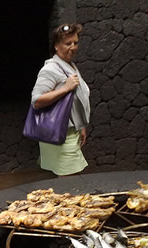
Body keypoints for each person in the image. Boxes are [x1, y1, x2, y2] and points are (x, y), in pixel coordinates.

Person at [30, 23, 90, 176]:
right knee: (70, 182)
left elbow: (76, 101)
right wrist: (65, 88)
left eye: (75, 43)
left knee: (68, 183)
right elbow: (36, 101)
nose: (73, 47)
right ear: (56, 46)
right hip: (60, 134)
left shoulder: (69, 66)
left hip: (69, 132)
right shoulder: (51, 69)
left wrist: (81, 125)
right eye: (67, 43)